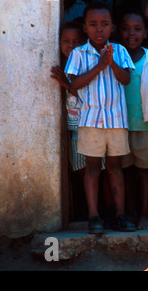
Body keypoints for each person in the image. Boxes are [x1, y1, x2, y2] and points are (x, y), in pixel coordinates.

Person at [64, 3, 136, 234]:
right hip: (90, 120)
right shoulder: (78, 53)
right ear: (85, 28)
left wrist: (111, 62)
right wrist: (99, 66)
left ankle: (120, 215)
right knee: (92, 168)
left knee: (115, 167)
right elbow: (74, 84)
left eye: (104, 24)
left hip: (116, 120)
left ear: (112, 27)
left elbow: (125, 80)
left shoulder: (120, 51)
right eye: (93, 24)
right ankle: (94, 216)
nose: (99, 29)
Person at [117, 10, 148, 230]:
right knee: (125, 172)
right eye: (126, 29)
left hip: (146, 124)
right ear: (119, 31)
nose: (131, 33)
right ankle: (130, 213)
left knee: (146, 171)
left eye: (137, 29)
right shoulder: (115, 56)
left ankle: (145, 214)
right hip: (118, 125)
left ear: (145, 32)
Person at [50, 22, 87, 219]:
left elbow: (85, 94)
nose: (71, 45)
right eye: (66, 41)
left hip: (88, 126)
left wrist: (65, 83)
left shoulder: (86, 65)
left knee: (95, 171)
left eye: (76, 41)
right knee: (78, 171)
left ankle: (95, 211)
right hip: (73, 130)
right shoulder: (61, 65)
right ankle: (81, 209)